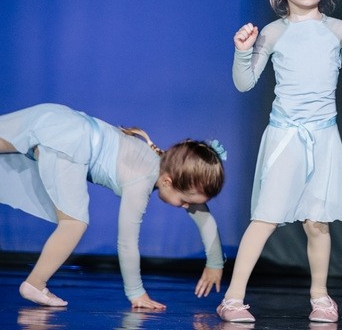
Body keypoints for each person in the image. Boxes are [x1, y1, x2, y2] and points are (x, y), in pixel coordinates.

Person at [218, 0, 342, 324]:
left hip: (324, 138)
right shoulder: (274, 32)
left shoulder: (336, 29)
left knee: (317, 222)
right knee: (266, 217)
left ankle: (320, 296)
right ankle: (233, 298)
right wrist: (242, 51)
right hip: (287, 137)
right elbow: (245, 82)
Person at [0, 102, 228, 310]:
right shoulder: (142, 179)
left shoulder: (162, 163)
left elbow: (202, 214)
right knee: (74, 223)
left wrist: (215, 263)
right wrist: (136, 293)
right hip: (71, 140)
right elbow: (127, 242)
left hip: (58, 119)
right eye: (185, 201)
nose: (187, 207)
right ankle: (35, 283)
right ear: (168, 182)